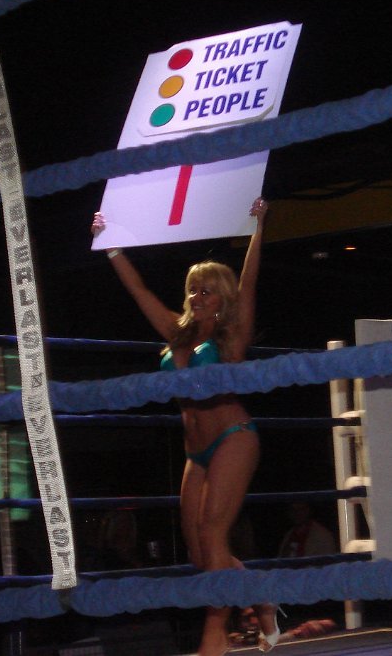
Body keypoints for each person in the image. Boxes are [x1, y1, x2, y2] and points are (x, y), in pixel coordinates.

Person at [92, 197, 278, 656]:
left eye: (208, 291)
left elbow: (250, 283)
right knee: (199, 553)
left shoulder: (230, 336)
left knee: (214, 535)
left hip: (234, 437)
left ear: (223, 298)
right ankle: (262, 597)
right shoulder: (177, 332)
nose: (198, 297)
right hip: (197, 450)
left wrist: (259, 228)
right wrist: (111, 245)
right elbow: (140, 293)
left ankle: (215, 635)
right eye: (193, 289)